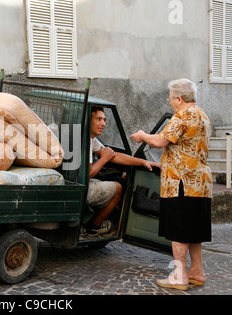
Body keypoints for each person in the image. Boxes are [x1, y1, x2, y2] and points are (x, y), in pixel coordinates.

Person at [131, 78, 212, 291]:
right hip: (200, 183)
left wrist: (142, 136)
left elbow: (159, 141)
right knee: (194, 229)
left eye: (170, 97)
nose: (169, 102)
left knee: (180, 230)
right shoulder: (202, 115)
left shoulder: (183, 116)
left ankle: (179, 275)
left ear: (179, 98)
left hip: (181, 183)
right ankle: (197, 271)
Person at [82, 106, 160, 237]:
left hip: (80, 184)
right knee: (118, 188)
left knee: (111, 180)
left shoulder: (89, 138)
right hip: (82, 189)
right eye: (99, 119)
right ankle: (93, 227)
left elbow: (114, 155)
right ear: (88, 121)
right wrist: (104, 158)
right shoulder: (85, 141)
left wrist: (143, 162)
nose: (103, 124)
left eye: (104, 120)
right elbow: (89, 173)